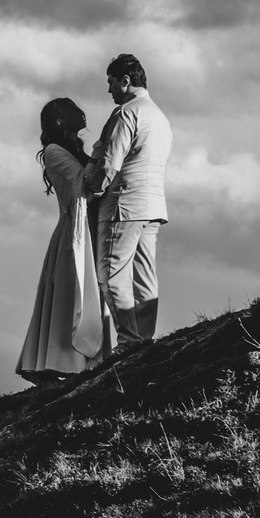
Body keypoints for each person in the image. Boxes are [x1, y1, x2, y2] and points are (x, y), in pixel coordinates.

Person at [15, 97, 109, 383]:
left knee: (85, 293)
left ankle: (85, 362)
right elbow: (82, 185)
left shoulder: (73, 149)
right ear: (59, 121)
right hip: (75, 232)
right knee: (72, 294)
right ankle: (62, 362)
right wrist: (99, 153)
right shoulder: (54, 151)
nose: (81, 114)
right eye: (71, 111)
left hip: (88, 228)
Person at [86, 53, 172, 346]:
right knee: (144, 277)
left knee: (110, 274)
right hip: (153, 205)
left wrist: (93, 191)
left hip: (124, 205)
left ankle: (129, 340)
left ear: (125, 80)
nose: (109, 90)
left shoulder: (126, 113)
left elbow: (110, 162)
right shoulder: (160, 117)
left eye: (111, 82)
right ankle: (145, 339)